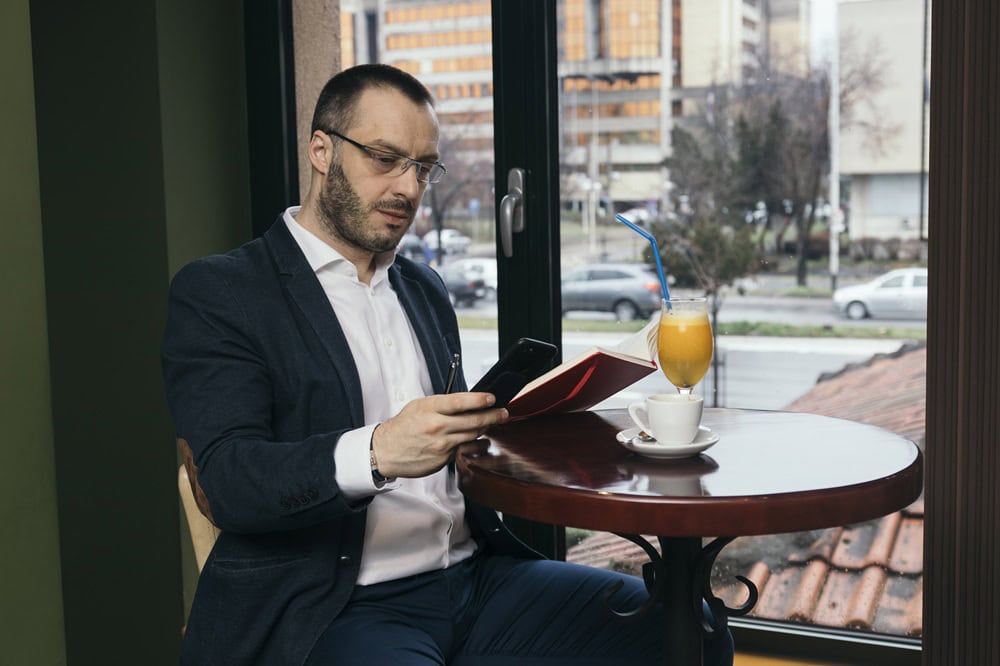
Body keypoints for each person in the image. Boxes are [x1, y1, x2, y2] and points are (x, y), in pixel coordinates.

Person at [161, 63, 734, 666]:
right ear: (322, 151)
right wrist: (378, 452)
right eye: (385, 158)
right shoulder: (224, 292)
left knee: (694, 632)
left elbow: (456, 453)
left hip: (476, 577)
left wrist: (521, 418)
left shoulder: (424, 289)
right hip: (335, 604)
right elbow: (229, 482)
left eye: (423, 168)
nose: (408, 188)